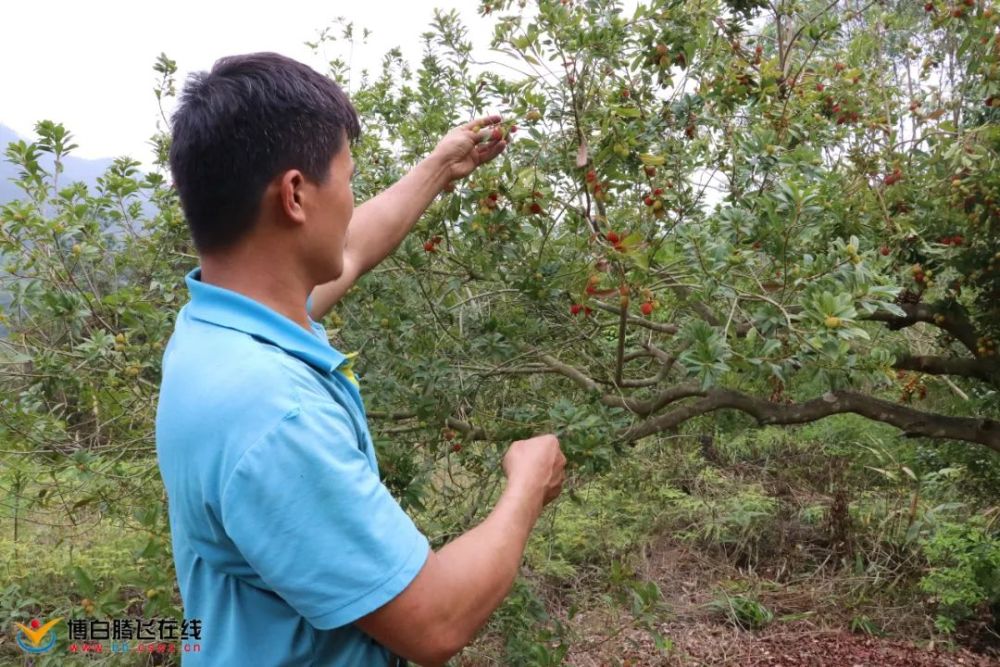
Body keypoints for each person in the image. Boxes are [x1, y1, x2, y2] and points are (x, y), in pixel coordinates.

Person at [154, 52, 566, 667]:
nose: (350, 201)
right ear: (294, 194)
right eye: (347, 179)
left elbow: (352, 245)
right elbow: (435, 620)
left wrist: (439, 168)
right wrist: (527, 485)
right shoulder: (272, 413)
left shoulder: (218, 330)